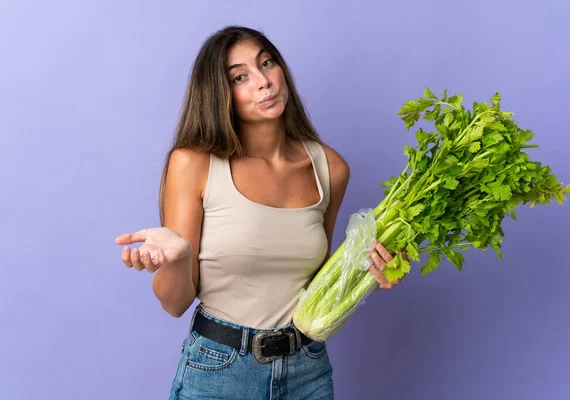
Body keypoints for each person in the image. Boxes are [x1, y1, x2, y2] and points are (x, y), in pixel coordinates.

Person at [114, 25, 404, 400]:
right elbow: (174, 304)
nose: (264, 81)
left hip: (308, 370)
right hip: (220, 370)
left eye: (267, 63)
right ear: (220, 94)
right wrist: (178, 257)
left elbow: (314, 281)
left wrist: (369, 270)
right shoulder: (194, 163)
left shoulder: (330, 168)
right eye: (240, 76)